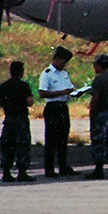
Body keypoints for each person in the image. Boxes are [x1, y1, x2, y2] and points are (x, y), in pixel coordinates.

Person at [38, 46, 77, 176]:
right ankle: (49, 169)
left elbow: (69, 87)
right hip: (52, 108)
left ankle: (63, 166)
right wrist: (61, 93)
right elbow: (42, 93)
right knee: (51, 140)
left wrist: (73, 92)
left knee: (63, 138)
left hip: (63, 107)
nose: (64, 64)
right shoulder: (47, 73)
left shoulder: (64, 73)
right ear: (57, 59)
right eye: (63, 61)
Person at [0, 60, 35, 183]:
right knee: (22, 144)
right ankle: (22, 172)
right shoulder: (24, 86)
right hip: (21, 118)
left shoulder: (3, 86)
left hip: (8, 119)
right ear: (21, 72)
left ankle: (6, 172)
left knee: (7, 145)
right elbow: (30, 102)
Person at [87, 53, 108, 179]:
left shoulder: (99, 79)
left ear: (98, 65)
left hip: (102, 114)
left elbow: (95, 98)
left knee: (99, 140)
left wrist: (92, 111)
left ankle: (99, 169)